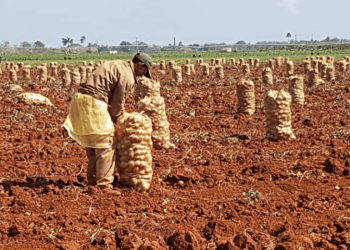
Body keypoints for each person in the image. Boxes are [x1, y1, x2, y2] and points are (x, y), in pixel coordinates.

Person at [63, 53, 153, 195]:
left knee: (93, 142)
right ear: (139, 65)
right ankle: (104, 185)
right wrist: (119, 120)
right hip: (94, 102)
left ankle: (93, 181)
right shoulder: (128, 76)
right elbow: (117, 104)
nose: (143, 75)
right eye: (144, 71)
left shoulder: (118, 64)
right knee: (107, 142)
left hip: (80, 100)